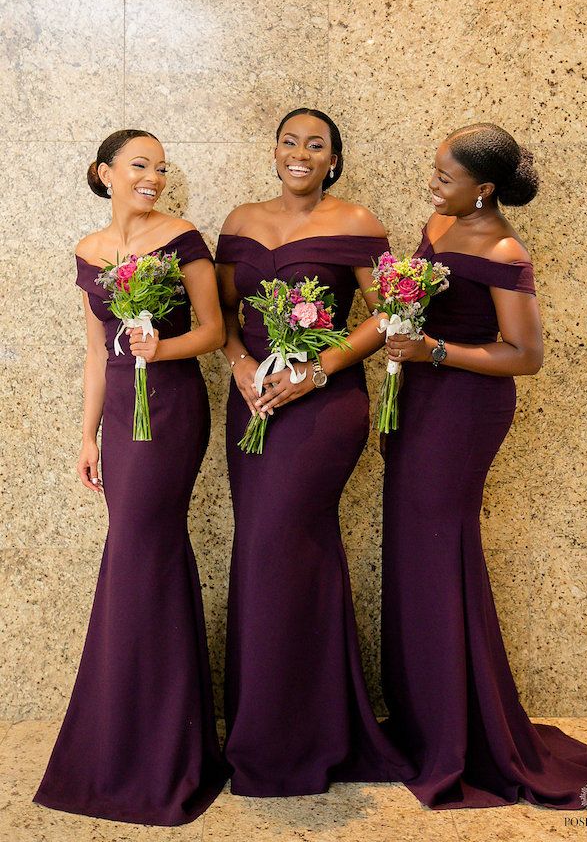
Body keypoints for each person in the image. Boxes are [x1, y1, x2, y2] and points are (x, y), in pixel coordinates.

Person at [379, 122, 587, 809]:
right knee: (413, 555)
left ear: (484, 189)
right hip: (419, 399)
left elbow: (525, 354)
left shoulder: (503, 247)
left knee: (439, 553)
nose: (433, 183)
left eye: (446, 176)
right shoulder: (441, 220)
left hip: (463, 408)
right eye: (434, 169)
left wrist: (431, 351)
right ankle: (427, 719)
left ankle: (461, 735)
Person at [214, 108, 414, 796]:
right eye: (290, 141)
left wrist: (317, 370)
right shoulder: (239, 220)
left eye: (316, 145)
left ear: (333, 159)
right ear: (274, 150)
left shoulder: (357, 221)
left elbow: (392, 312)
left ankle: (294, 740)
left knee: (281, 544)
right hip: (253, 402)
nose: (301, 153)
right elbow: (222, 315)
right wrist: (242, 364)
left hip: (324, 409)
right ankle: (297, 724)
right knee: (272, 550)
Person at [34, 129, 230, 825]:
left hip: (171, 405)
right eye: (140, 165)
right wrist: (86, 435)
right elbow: (95, 352)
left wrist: (161, 343)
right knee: (135, 557)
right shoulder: (87, 251)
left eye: (160, 167)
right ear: (104, 172)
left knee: (140, 553)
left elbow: (213, 329)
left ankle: (154, 753)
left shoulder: (183, 239)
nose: (153, 176)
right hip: (120, 409)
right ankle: (137, 738)